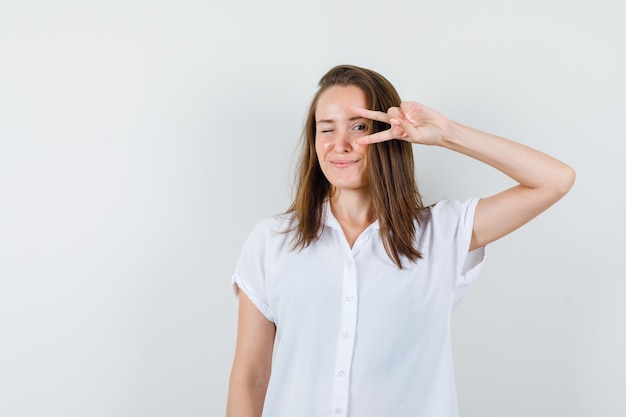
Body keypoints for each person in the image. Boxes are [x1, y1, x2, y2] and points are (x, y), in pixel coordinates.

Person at [225, 64, 575, 417]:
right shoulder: (271, 242)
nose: (340, 145)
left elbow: (555, 180)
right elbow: (250, 378)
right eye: (326, 129)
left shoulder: (441, 233)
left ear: (389, 134)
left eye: (358, 127)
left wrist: (446, 133)